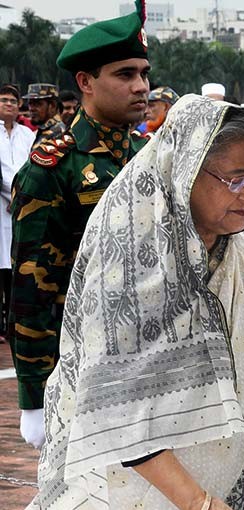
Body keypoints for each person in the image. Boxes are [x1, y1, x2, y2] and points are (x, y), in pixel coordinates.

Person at [1, 94, 244, 510]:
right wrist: (196, 507)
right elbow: (115, 408)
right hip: (138, 497)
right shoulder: (133, 259)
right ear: (187, 171)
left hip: (219, 485)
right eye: (234, 178)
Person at [9, 3, 150, 449]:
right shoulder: (54, 167)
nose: (141, 86)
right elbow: (32, 288)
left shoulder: (150, 154)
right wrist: (34, 396)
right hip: (85, 364)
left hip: (150, 358)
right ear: (86, 83)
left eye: (144, 74)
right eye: (125, 74)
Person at [0, 84, 36, 343]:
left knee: (17, 267)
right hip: (2, 205)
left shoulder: (28, 134)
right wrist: (11, 194)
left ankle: (14, 323)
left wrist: (22, 195)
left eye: (13, 100)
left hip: (22, 206)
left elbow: (31, 168)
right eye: (3, 100)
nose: (9, 104)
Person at [24, 83, 67, 148]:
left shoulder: (58, 133)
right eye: (30, 103)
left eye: (37, 104)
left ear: (52, 106)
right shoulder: (45, 130)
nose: (31, 109)